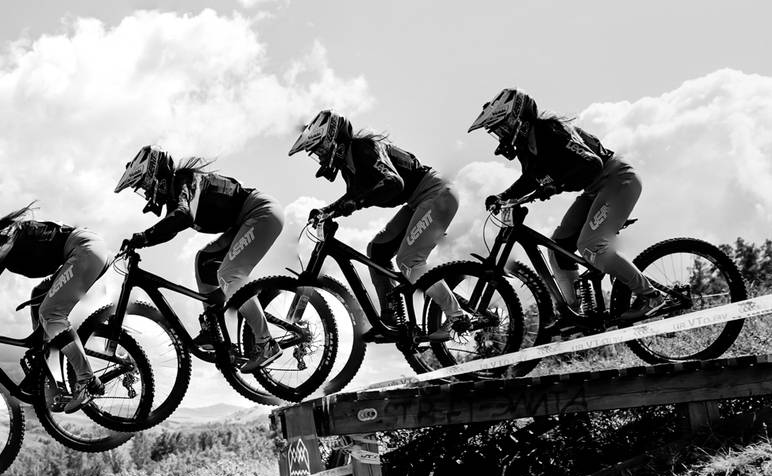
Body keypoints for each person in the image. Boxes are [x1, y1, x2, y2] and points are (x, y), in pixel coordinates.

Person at [469, 88, 661, 319]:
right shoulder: (525, 148)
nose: (501, 136)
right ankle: (574, 312)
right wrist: (503, 196)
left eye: (501, 128)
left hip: (617, 179)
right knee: (558, 248)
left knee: (590, 245)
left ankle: (652, 296)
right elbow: (529, 179)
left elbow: (591, 164)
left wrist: (556, 185)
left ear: (517, 119)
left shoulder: (550, 131)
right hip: (594, 189)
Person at [288, 110, 471, 339]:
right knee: (377, 251)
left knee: (409, 260)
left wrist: (356, 202)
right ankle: (391, 318)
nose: (321, 157)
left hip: (437, 194)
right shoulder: (349, 168)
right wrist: (327, 210)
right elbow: (352, 197)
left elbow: (393, 182)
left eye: (321, 150)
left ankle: (458, 317)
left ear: (335, 141)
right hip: (418, 201)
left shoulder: (364, 148)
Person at [113, 145, 285, 372]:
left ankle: (267, 343)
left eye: (144, 185)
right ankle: (213, 330)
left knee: (229, 273)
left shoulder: (184, 181)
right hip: (244, 221)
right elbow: (172, 229)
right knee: (204, 261)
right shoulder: (176, 194)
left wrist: (145, 236)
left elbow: (183, 216)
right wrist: (143, 240)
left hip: (261, 212)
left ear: (156, 176)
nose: (145, 193)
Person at [0, 199, 108, 412]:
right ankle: (45, 370)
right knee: (39, 296)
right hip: (85, 249)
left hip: (84, 249)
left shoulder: (7, 234)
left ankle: (87, 380)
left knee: (51, 313)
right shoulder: (6, 238)